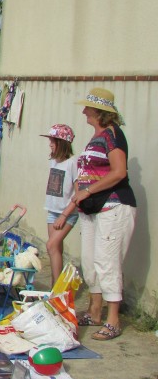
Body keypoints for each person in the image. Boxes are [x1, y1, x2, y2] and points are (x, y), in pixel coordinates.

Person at [70, 88, 137, 341]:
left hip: (113, 205)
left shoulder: (113, 135)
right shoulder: (95, 137)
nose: (83, 110)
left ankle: (113, 319)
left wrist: (88, 191)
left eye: (87, 107)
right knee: (90, 261)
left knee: (107, 262)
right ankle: (94, 311)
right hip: (91, 210)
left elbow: (119, 172)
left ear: (99, 111)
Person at [41, 124, 79, 286]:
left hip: (68, 213)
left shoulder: (73, 163)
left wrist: (64, 215)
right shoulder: (54, 162)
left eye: (53, 141)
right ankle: (55, 286)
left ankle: (56, 290)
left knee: (51, 245)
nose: (50, 144)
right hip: (53, 211)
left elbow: (79, 193)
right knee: (54, 250)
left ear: (62, 143)